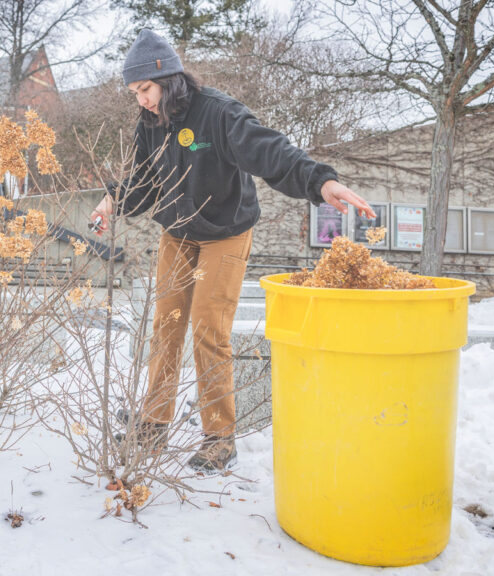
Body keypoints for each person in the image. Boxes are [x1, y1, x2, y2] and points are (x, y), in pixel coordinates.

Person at [91, 29, 375, 472]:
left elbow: (270, 150)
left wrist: (321, 181)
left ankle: (220, 438)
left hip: (225, 231)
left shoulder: (218, 113)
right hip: (178, 232)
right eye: (134, 93)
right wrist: (113, 199)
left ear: (168, 78)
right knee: (165, 324)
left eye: (144, 89)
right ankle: (154, 423)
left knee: (208, 326)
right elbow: (143, 183)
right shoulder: (149, 123)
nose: (141, 100)